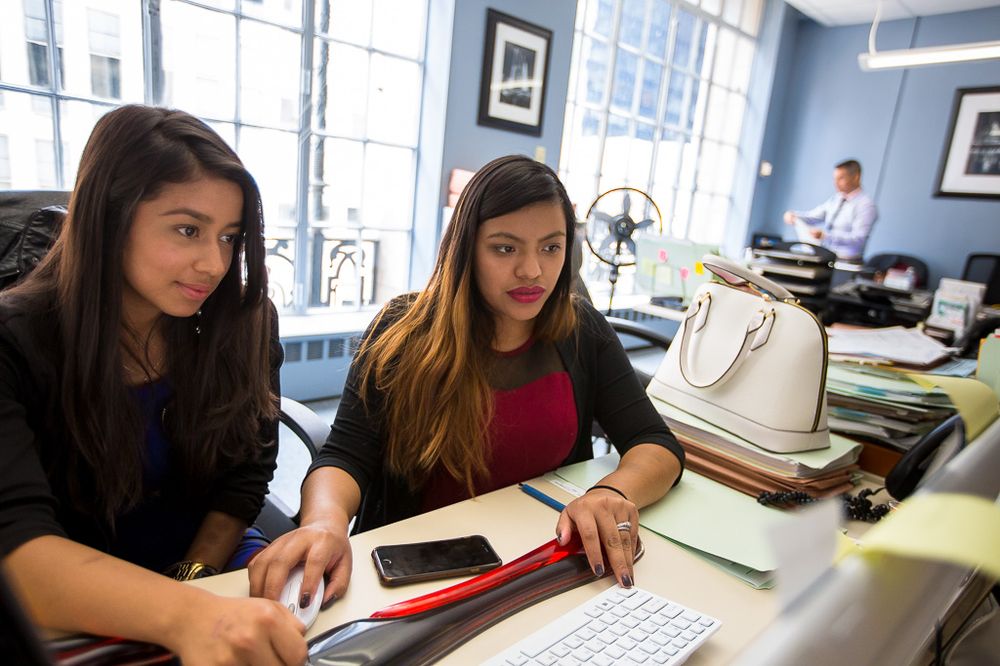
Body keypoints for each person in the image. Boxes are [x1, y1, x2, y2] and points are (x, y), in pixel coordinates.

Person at [249, 155, 685, 610]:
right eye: (505, 248)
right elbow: (345, 456)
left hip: (540, 563)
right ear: (467, 248)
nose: (532, 270)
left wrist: (612, 491)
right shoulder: (403, 330)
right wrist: (323, 522)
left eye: (551, 248)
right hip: (423, 570)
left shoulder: (582, 330)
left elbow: (654, 442)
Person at [0, 105, 307, 665]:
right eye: (188, 230)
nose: (214, 264)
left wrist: (195, 576)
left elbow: (245, 476)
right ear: (109, 220)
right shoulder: (14, 341)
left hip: (207, 561)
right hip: (74, 592)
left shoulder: (242, 322)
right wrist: (188, 613)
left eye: (229, 237)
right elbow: (19, 549)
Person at [783, 159, 878, 262]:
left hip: (846, 261)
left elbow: (858, 239)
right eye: (835, 178)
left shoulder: (866, 206)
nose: (836, 183)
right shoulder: (836, 199)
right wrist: (795, 216)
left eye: (841, 178)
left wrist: (825, 236)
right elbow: (814, 216)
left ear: (856, 177)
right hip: (826, 256)